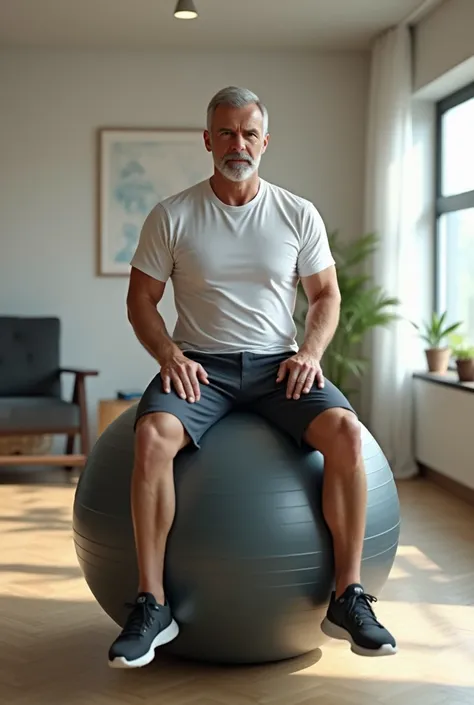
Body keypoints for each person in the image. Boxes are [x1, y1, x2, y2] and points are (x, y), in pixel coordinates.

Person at [108, 86, 397, 669]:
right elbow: (141, 301)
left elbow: (326, 296)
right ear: (208, 139)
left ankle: (348, 596)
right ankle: (152, 602)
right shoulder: (173, 213)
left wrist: (311, 353)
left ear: (264, 141)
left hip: (278, 365)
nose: (237, 144)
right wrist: (169, 355)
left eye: (248, 133)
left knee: (344, 431)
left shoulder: (296, 212)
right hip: (200, 366)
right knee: (150, 437)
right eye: (226, 132)